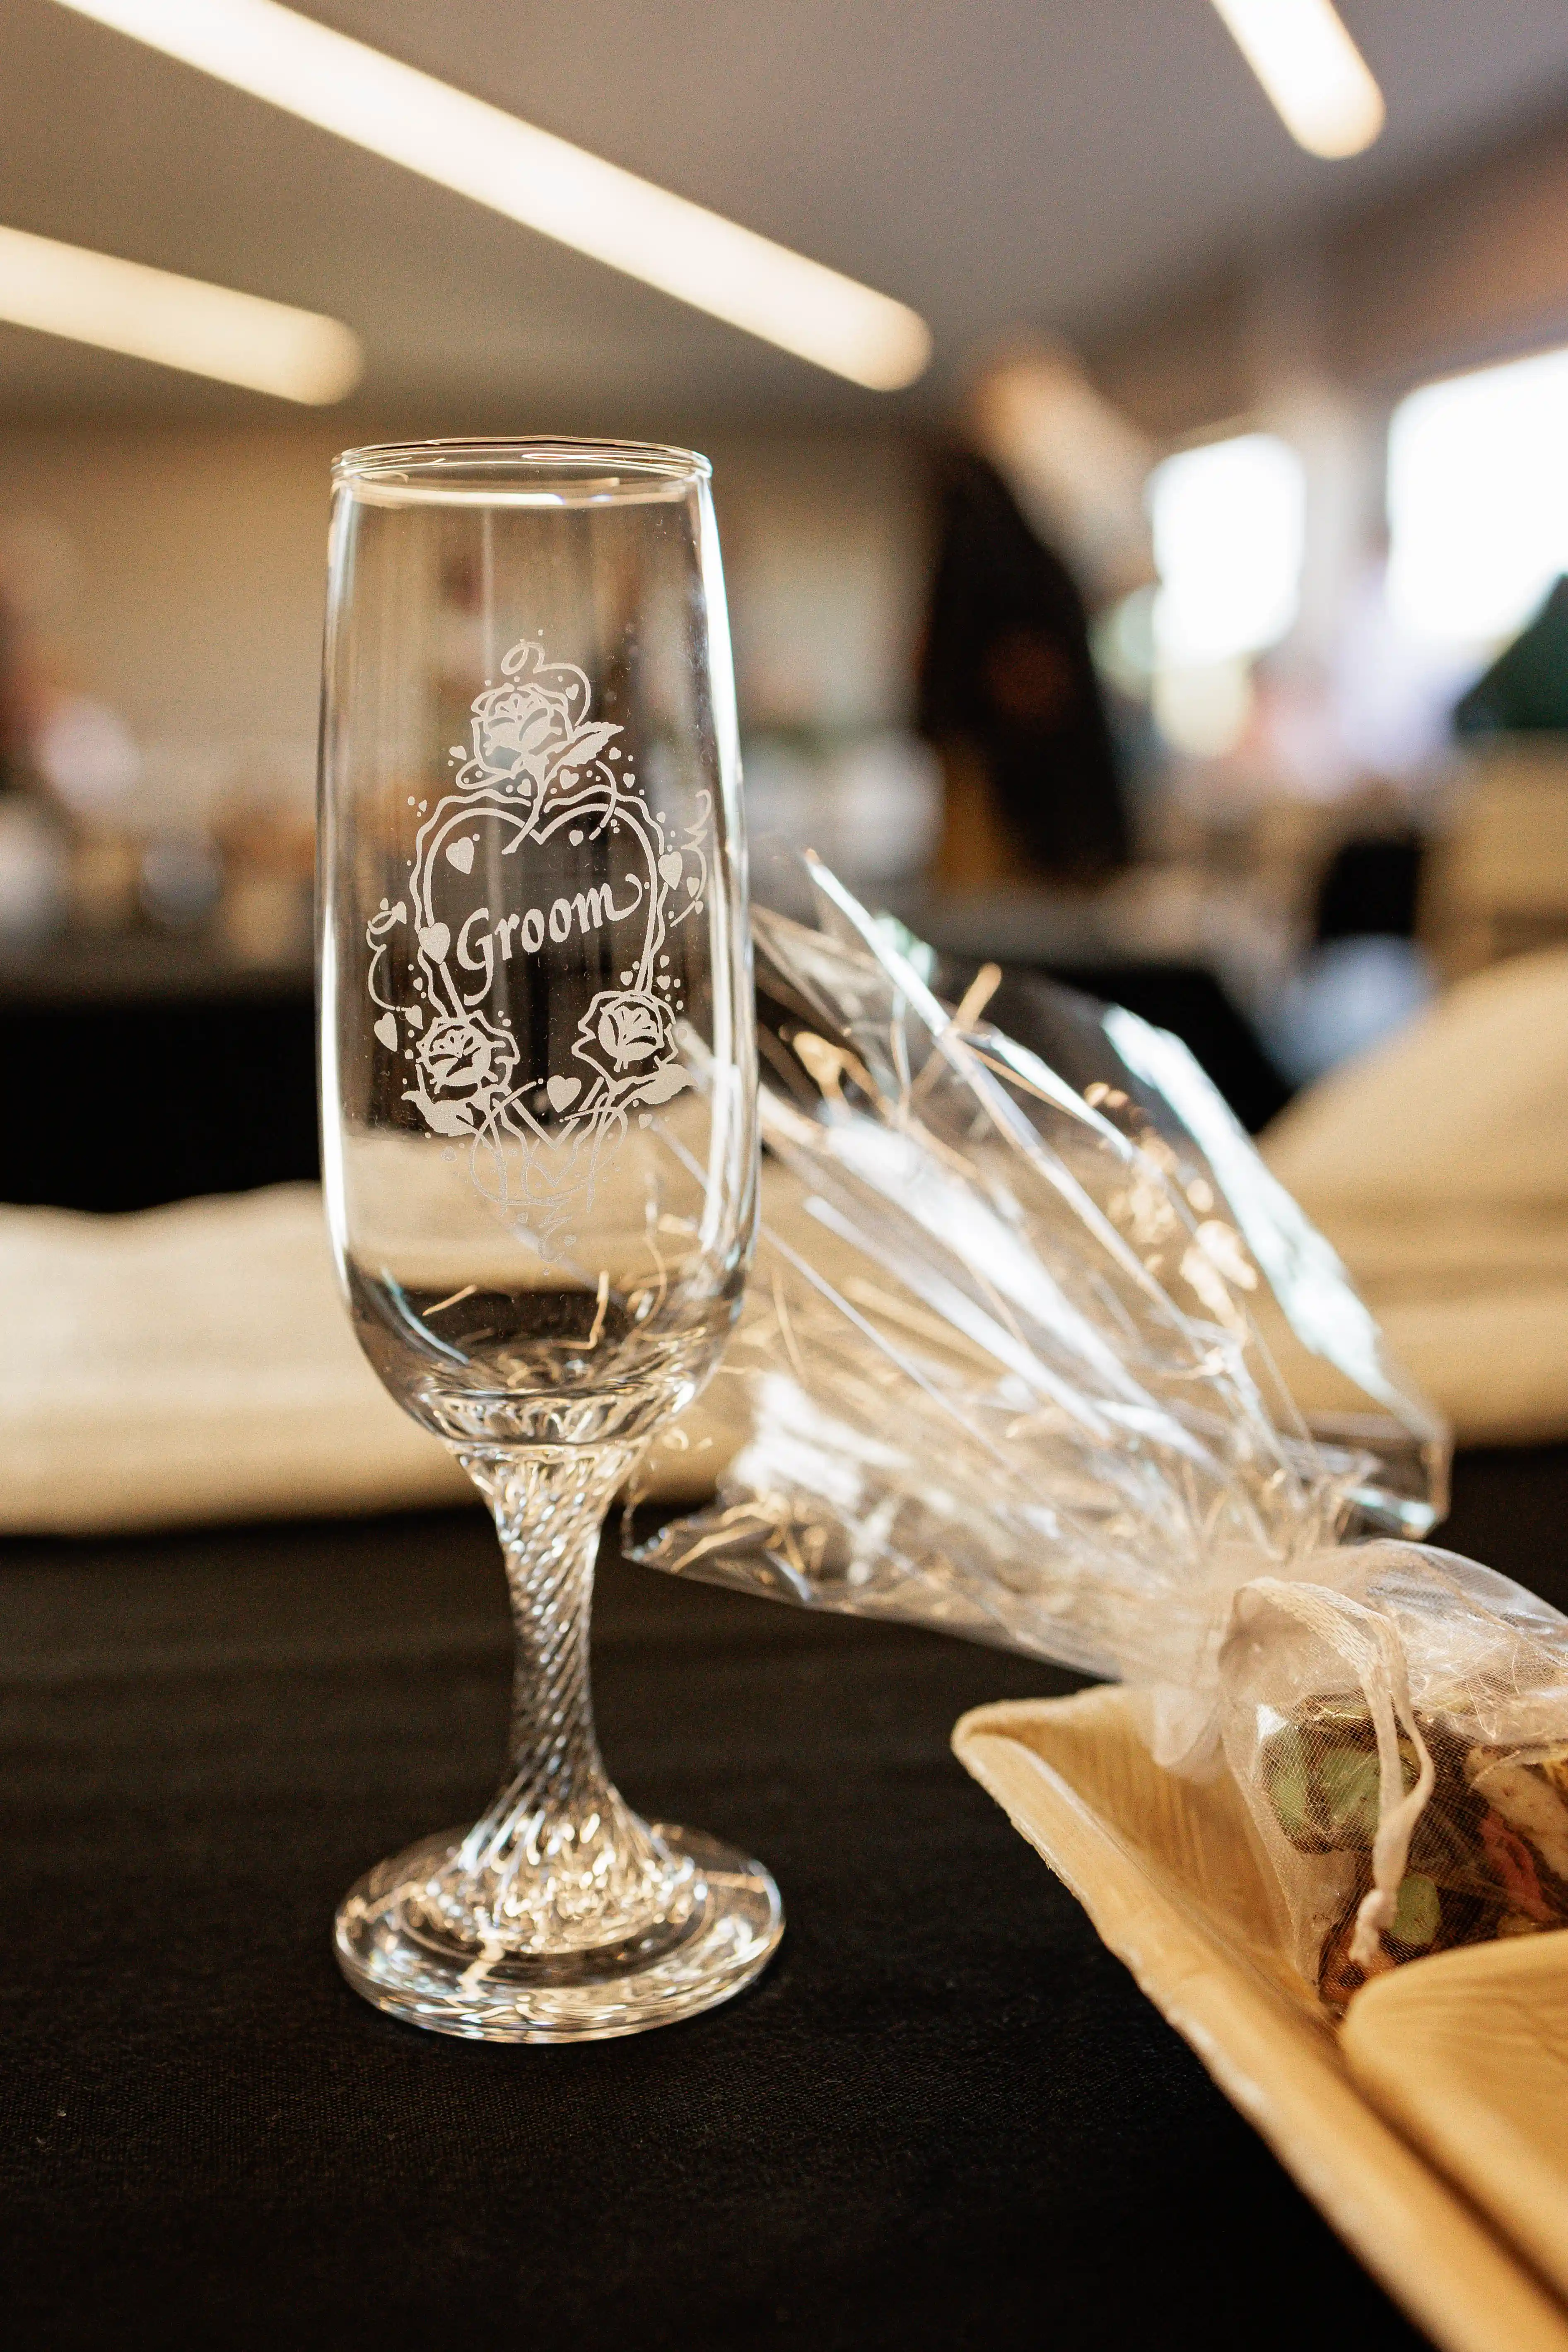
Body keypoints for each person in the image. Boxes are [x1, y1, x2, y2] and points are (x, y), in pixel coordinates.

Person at [917, 338, 1152, 888]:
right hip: (1003, 761)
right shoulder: (982, 497)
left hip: (1021, 761)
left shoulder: (1019, 507)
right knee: (990, 903)